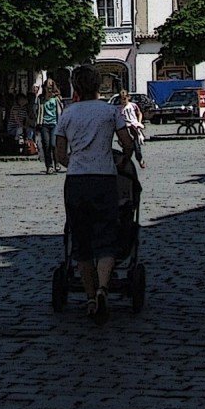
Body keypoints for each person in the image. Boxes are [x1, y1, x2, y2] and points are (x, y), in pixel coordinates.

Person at [55, 64, 141, 324]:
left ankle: (91, 298)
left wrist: (77, 163)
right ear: (98, 85)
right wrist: (120, 161)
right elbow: (127, 143)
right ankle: (104, 288)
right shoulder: (110, 111)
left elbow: (60, 154)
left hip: (77, 181)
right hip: (105, 179)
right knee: (106, 235)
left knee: (80, 240)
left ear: (75, 86)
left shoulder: (67, 114)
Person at [36, 85, 63, 173]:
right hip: (44, 124)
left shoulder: (56, 99)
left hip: (54, 123)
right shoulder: (41, 99)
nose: (49, 90)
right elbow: (37, 110)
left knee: (53, 144)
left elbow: (60, 110)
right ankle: (49, 166)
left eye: (51, 88)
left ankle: (57, 163)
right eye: (47, 88)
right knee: (46, 145)